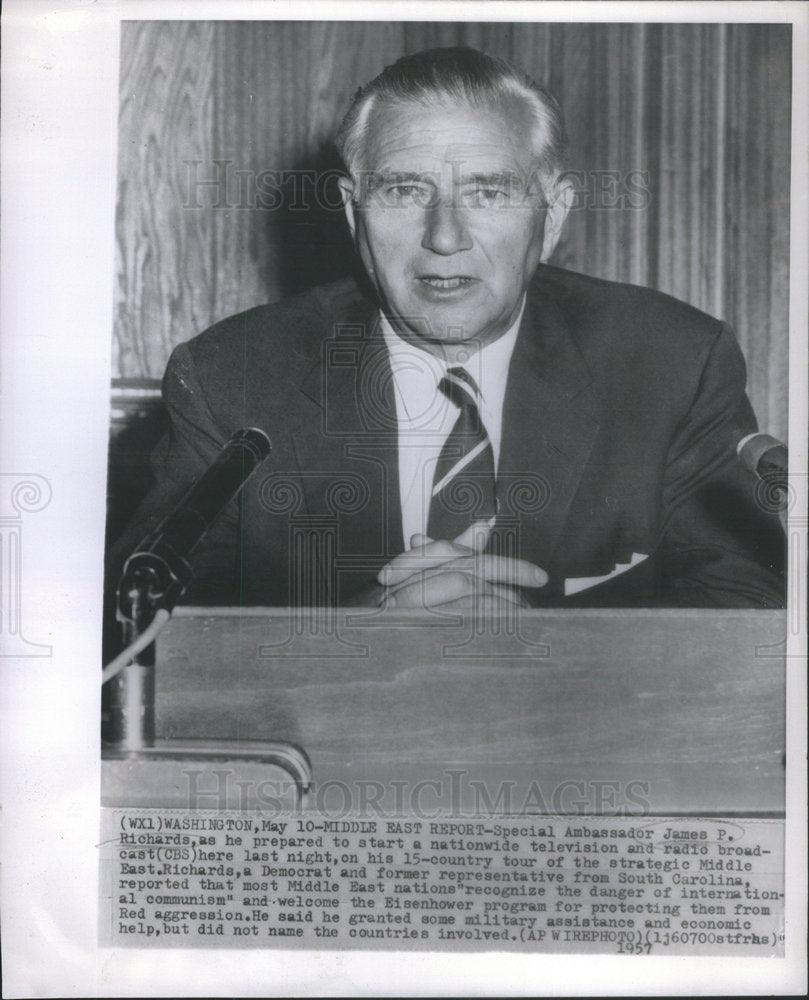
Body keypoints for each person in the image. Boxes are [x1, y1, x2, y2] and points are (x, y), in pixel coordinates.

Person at [106, 46, 784, 614]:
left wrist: (546, 653)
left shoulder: (669, 361)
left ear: (551, 217)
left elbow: (746, 606)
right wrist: (364, 636)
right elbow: (140, 626)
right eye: (404, 191)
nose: (444, 236)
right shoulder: (234, 376)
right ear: (352, 212)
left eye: (488, 193)